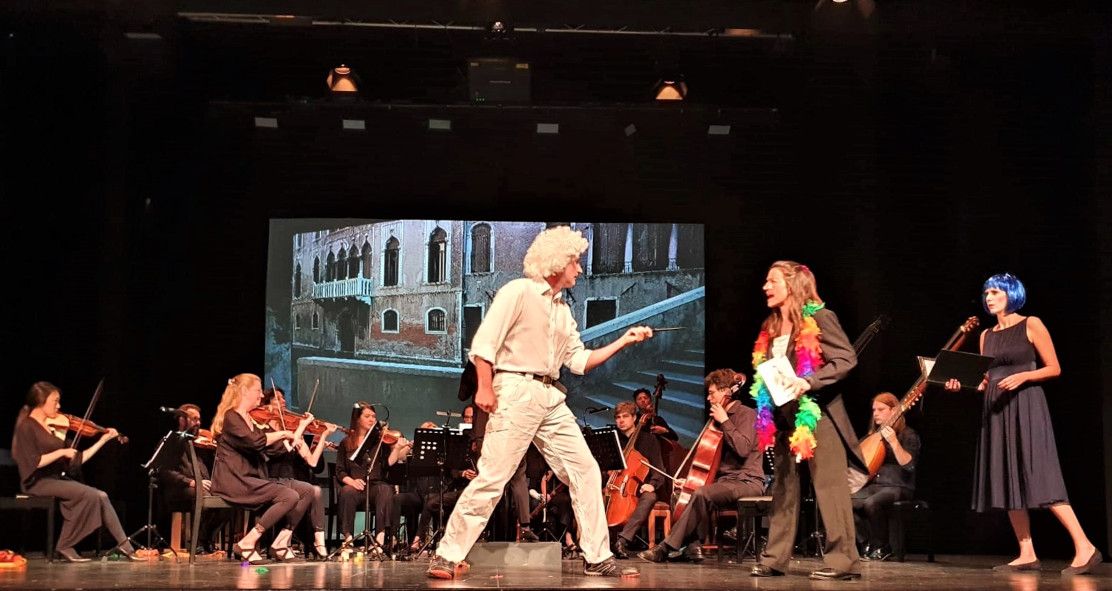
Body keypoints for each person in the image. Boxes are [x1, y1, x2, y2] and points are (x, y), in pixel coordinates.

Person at [426, 225, 653, 579]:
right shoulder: (518, 292)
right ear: (557, 262)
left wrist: (623, 340)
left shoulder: (563, 311)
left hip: (550, 395)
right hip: (515, 388)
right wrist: (484, 387)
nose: (579, 269)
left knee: (586, 470)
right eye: (575, 262)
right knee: (494, 476)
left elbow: (578, 361)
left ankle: (597, 556)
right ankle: (447, 554)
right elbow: (483, 345)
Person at [944, 273, 1100, 575]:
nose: (988, 297)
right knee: (1006, 476)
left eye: (995, 292)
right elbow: (985, 379)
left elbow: (1054, 368)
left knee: (1040, 474)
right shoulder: (986, 335)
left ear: (1011, 294)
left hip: (1027, 407)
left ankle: (1085, 546)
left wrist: (1025, 376)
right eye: (986, 292)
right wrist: (960, 384)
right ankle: (1026, 552)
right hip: (996, 411)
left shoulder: (1031, 324)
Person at [749, 261, 861, 581]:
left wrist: (810, 381)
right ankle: (774, 558)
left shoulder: (819, 318)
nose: (765, 287)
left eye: (772, 281)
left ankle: (843, 560)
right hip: (784, 416)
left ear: (791, 284)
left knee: (829, 486)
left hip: (818, 412)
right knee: (783, 488)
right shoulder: (770, 326)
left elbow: (846, 359)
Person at [638, 369, 765, 563]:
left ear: (725, 391)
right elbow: (712, 461)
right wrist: (689, 480)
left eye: (712, 392)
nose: (708, 398)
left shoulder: (746, 414)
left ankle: (665, 547)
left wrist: (725, 421)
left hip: (746, 481)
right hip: (726, 482)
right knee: (681, 491)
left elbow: (743, 449)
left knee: (702, 494)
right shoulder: (715, 420)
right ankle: (692, 548)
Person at [10, 382, 142, 562]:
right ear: (41, 401)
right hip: (37, 482)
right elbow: (35, 462)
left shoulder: (52, 427)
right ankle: (64, 545)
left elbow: (78, 459)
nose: (59, 406)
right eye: (55, 401)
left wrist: (102, 440)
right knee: (89, 494)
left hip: (55, 480)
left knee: (101, 495)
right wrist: (62, 451)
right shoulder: (27, 426)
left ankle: (125, 546)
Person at [209, 373, 315, 564]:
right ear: (243, 391)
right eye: (257, 391)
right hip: (235, 480)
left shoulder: (249, 419)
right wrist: (283, 432)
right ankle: (248, 541)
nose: (260, 396)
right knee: (289, 495)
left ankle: (281, 542)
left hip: (252, 478)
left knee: (307, 490)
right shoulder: (232, 417)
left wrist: (300, 428)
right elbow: (256, 442)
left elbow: (280, 449)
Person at [260, 387, 335, 559]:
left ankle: (319, 541)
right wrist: (300, 427)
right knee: (307, 490)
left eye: (283, 398)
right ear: (267, 405)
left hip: (289, 481)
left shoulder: (293, 431)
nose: (283, 402)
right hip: (270, 479)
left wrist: (323, 436)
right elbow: (283, 449)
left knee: (315, 490)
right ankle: (283, 540)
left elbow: (312, 461)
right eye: (277, 399)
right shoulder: (264, 430)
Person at [335, 402, 411, 558]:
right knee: (346, 492)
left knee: (385, 489)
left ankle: (379, 538)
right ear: (357, 418)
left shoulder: (380, 440)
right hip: (355, 485)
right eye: (367, 416)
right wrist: (352, 481)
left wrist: (396, 449)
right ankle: (347, 539)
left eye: (374, 417)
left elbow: (388, 464)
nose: (372, 419)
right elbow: (340, 471)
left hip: (375, 485)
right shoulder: (346, 442)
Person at [850, 392, 920, 561]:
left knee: (871, 503)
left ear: (894, 410)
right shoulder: (870, 437)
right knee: (845, 502)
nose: (875, 413)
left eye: (881, 409)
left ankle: (883, 545)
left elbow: (909, 465)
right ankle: (866, 542)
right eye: (874, 410)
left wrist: (894, 441)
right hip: (874, 485)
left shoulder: (908, 435)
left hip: (899, 486)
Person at [158, 403, 227, 556]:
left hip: (201, 487)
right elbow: (165, 471)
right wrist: (191, 482)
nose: (198, 423)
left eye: (199, 419)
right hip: (178, 490)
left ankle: (208, 539)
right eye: (194, 419)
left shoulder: (198, 442)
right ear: (182, 421)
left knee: (226, 501)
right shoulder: (172, 441)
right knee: (201, 498)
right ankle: (197, 543)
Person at [607, 401, 666, 559]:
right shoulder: (614, 441)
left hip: (640, 488)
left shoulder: (649, 440)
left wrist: (652, 485)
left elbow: (659, 470)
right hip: (616, 486)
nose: (621, 420)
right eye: (618, 417)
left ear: (635, 418)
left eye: (625, 416)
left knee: (650, 497)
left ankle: (623, 540)